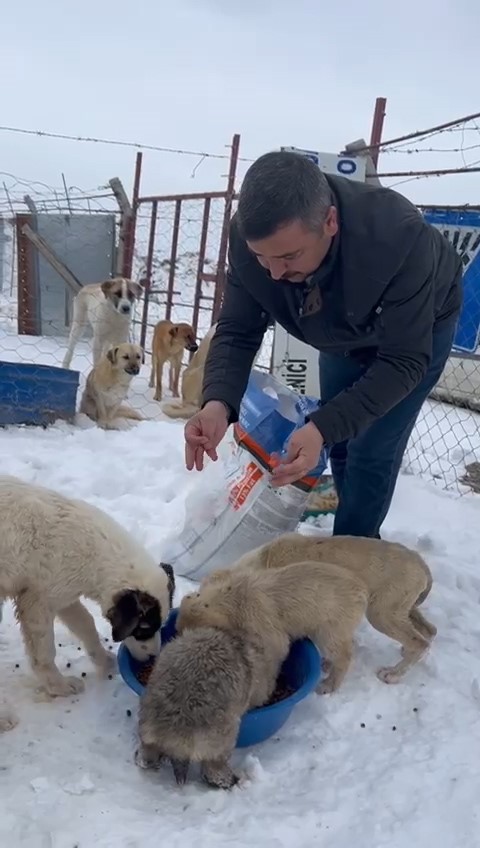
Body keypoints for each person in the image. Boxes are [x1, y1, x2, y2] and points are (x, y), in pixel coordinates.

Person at [184, 151, 463, 538]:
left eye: (289, 256)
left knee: (371, 449)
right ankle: (350, 532)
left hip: (416, 331)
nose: (275, 273)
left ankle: (354, 551)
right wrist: (218, 402)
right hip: (339, 328)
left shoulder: (399, 237)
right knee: (341, 439)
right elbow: (237, 328)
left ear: (329, 221)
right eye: (261, 257)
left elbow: (404, 361)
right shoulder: (253, 238)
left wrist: (321, 428)